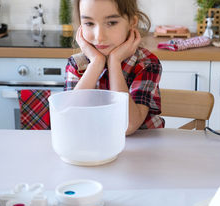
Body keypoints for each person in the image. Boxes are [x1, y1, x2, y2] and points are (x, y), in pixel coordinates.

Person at [65, 0, 164, 135]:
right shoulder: (77, 64)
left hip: (143, 147)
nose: (99, 37)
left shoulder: (146, 64)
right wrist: (96, 63)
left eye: (111, 23)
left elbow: (127, 126)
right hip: (94, 147)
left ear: (132, 22)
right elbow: (69, 119)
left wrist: (114, 63)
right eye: (89, 23)